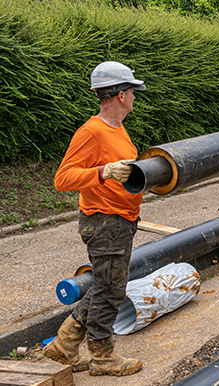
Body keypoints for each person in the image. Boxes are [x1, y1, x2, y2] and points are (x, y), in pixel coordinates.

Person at [45, 61, 146, 376]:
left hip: (120, 221)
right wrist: (104, 172)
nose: (134, 97)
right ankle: (102, 357)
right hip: (105, 223)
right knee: (111, 290)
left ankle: (64, 344)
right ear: (120, 95)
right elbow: (63, 179)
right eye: (132, 91)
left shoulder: (118, 129)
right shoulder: (92, 131)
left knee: (105, 285)